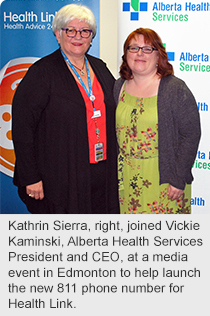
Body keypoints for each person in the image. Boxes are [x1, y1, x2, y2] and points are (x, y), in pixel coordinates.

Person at [12, 4, 119, 214]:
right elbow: (23, 128)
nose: (78, 36)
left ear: (91, 37)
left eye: (85, 31)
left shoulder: (100, 68)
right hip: (60, 177)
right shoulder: (41, 73)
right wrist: (31, 177)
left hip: (100, 173)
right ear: (58, 34)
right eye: (70, 30)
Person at [114, 28, 201, 214]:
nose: (139, 53)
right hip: (127, 179)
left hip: (165, 181)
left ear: (158, 55)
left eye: (147, 49)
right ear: (126, 54)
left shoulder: (174, 89)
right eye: (133, 48)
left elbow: (191, 134)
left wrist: (178, 178)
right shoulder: (118, 85)